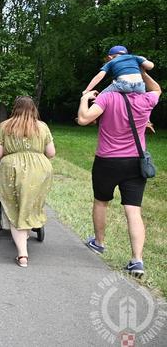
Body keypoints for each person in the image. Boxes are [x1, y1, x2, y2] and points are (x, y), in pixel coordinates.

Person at [77, 70, 161, 278]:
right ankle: (137, 260)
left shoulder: (108, 97)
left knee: (101, 202)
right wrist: (142, 70)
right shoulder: (146, 99)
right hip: (135, 163)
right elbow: (157, 89)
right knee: (134, 211)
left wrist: (85, 98)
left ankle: (99, 242)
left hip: (107, 161)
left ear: (117, 81)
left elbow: (83, 119)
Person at [0, 96, 55, 267]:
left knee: (15, 207)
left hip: (12, 169)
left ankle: (22, 254)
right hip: (39, 170)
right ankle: (26, 231)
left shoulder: (5, 126)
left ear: (15, 109)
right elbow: (51, 153)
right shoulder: (42, 127)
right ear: (33, 109)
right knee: (30, 204)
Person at [83, 45, 155, 95]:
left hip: (123, 85)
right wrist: (143, 59)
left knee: (102, 96)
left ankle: (95, 111)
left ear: (110, 57)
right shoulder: (134, 57)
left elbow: (99, 76)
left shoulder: (112, 61)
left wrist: (87, 90)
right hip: (140, 86)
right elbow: (150, 66)